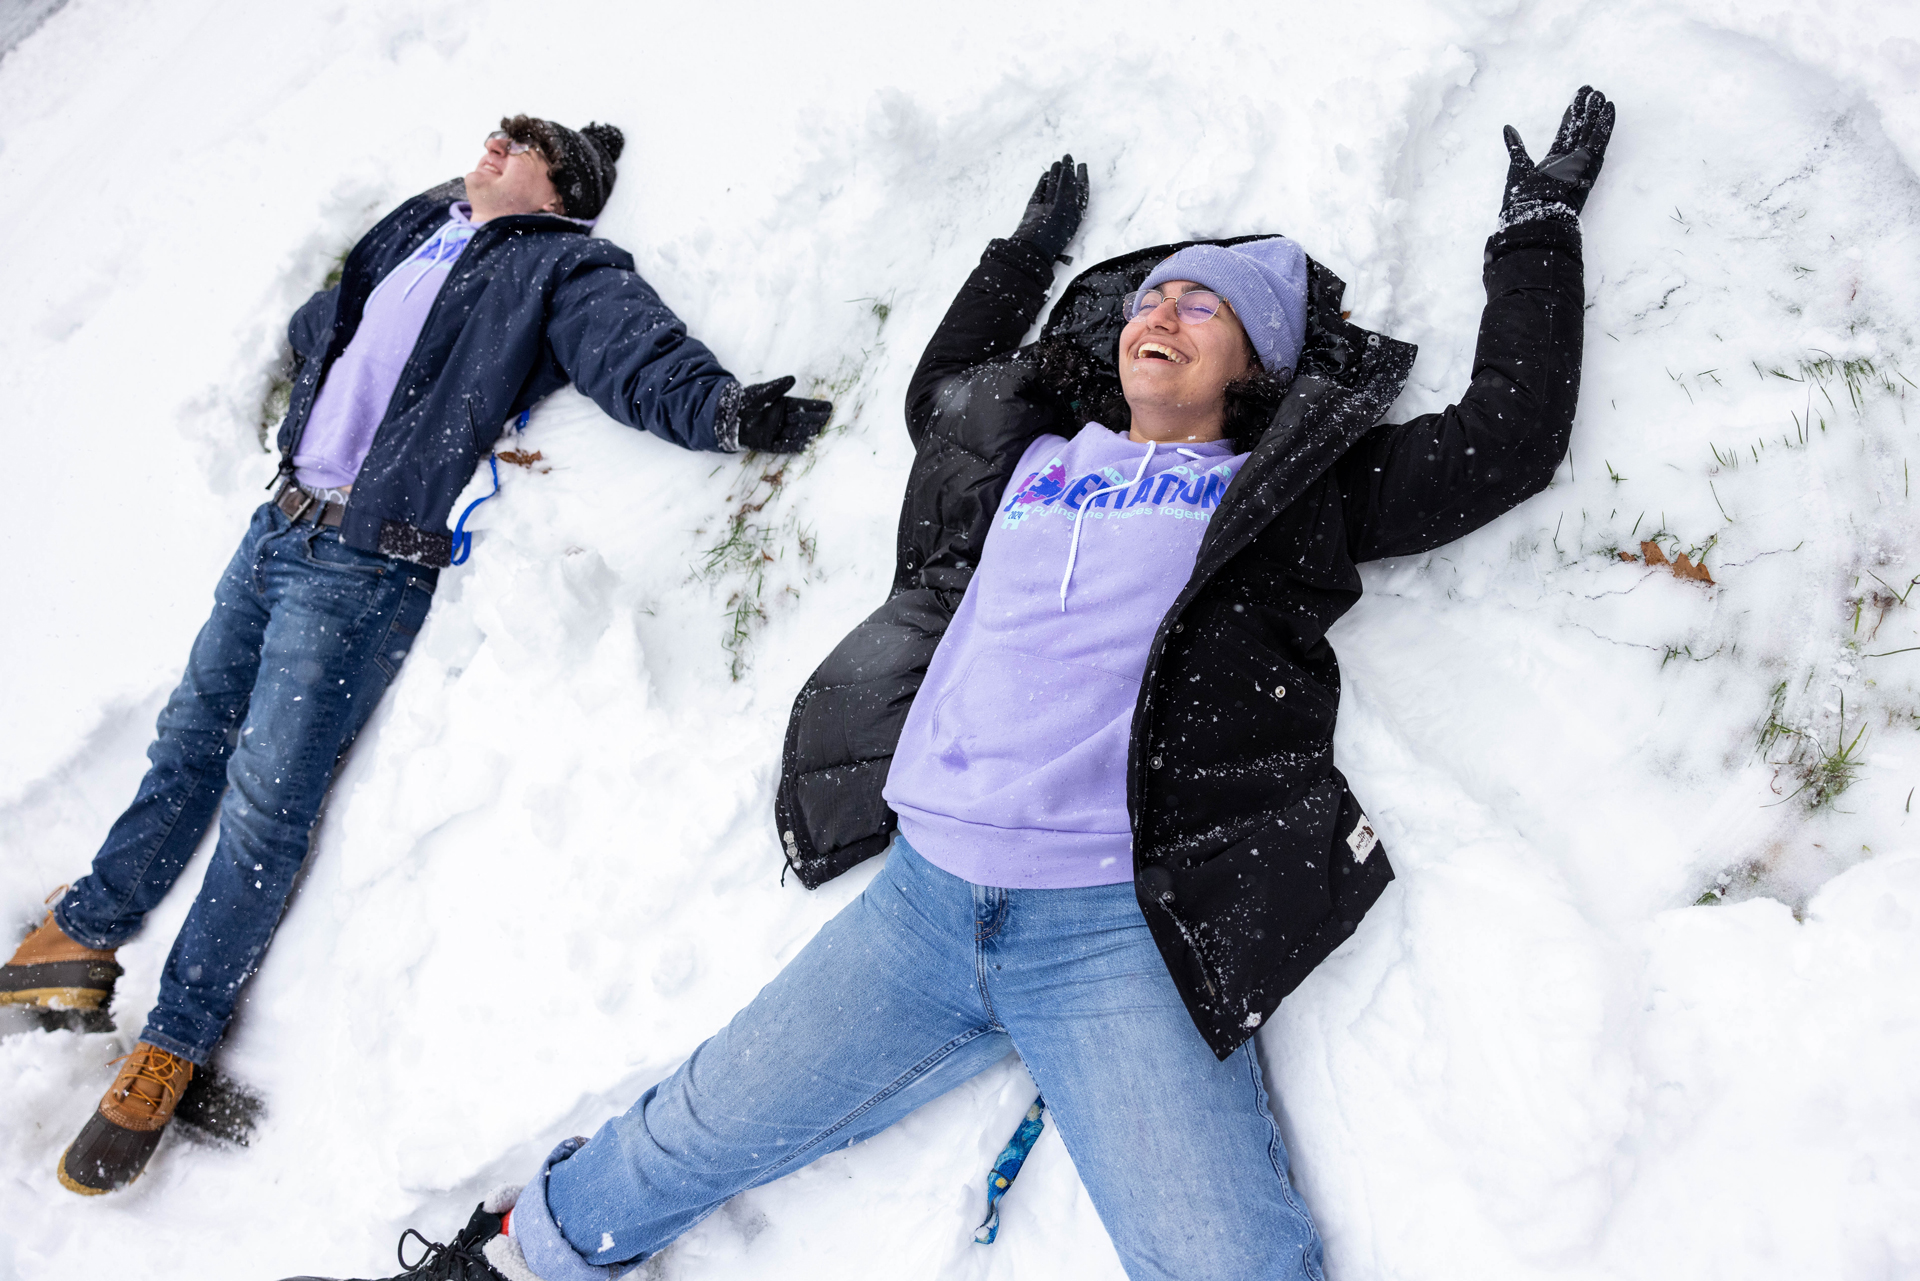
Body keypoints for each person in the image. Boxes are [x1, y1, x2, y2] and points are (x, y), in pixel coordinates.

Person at [287, 87, 1613, 1281]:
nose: (1164, 312)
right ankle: (508, 1269)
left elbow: (1503, 443)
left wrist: (1536, 232)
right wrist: (1023, 258)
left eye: (1204, 306)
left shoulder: (1283, 500)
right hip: (925, 899)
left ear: (1254, 365)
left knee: (1228, 1261)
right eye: (1155, 296)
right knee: (703, 1118)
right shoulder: (1031, 457)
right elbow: (941, 389)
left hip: (1121, 929)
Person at [2, 114, 834, 1197]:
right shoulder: (419, 223)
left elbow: (633, 352)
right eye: (493, 133)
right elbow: (331, 322)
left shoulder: (557, 262)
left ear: (560, 189)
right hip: (278, 524)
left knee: (266, 799)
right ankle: (80, 934)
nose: (490, 146)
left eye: (519, 143)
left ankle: (175, 1043)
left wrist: (722, 411)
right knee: (187, 741)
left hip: (361, 560)